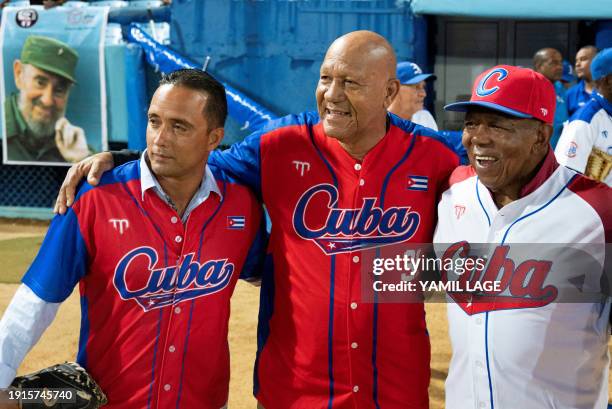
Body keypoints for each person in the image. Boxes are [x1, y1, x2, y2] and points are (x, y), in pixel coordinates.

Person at [54, 31, 461, 408]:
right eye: (324, 78)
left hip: (396, 385)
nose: (331, 94)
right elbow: (200, 158)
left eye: (350, 83)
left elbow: (497, 161)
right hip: (295, 388)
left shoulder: (436, 153)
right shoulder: (279, 145)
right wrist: (124, 161)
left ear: (390, 91)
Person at [0, 69, 266, 409]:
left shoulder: (240, 206)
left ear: (214, 138)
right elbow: (37, 301)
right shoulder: (96, 199)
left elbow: (270, 276)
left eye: (179, 127)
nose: (159, 139)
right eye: (155, 121)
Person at [437, 64, 611, 409]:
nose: (478, 137)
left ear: (541, 137)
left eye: (498, 125)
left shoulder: (598, 212)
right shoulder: (454, 190)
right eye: (471, 122)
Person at [4, 35, 90, 163]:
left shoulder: (76, 147)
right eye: (40, 82)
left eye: (59, 89)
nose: (47, 100)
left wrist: (82, 160)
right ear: (19, 74)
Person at [555, 48, 612, 187]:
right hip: (594, 206)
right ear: (610, 80)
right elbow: (563, 182)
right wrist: (591, 186)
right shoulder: (584, 121)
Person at [533, 47, 568, 149]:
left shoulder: (560, 88)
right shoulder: (529, 88)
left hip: (558, 153)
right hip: (534, 152)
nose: (560, 67)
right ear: (539, 66)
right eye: (553, 63)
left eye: (560, 63)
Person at [388, 61, 438, 130]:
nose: (423, 94)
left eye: (423, 87)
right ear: (394, 89)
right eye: (417, 87)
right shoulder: (376, 124)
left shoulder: (425, 118)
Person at [567, 45, 598, 116]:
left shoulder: (608, 92)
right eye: (576, 61)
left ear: (597, 61)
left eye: (583, 59)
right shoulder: (570, 94)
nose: (577, 64)